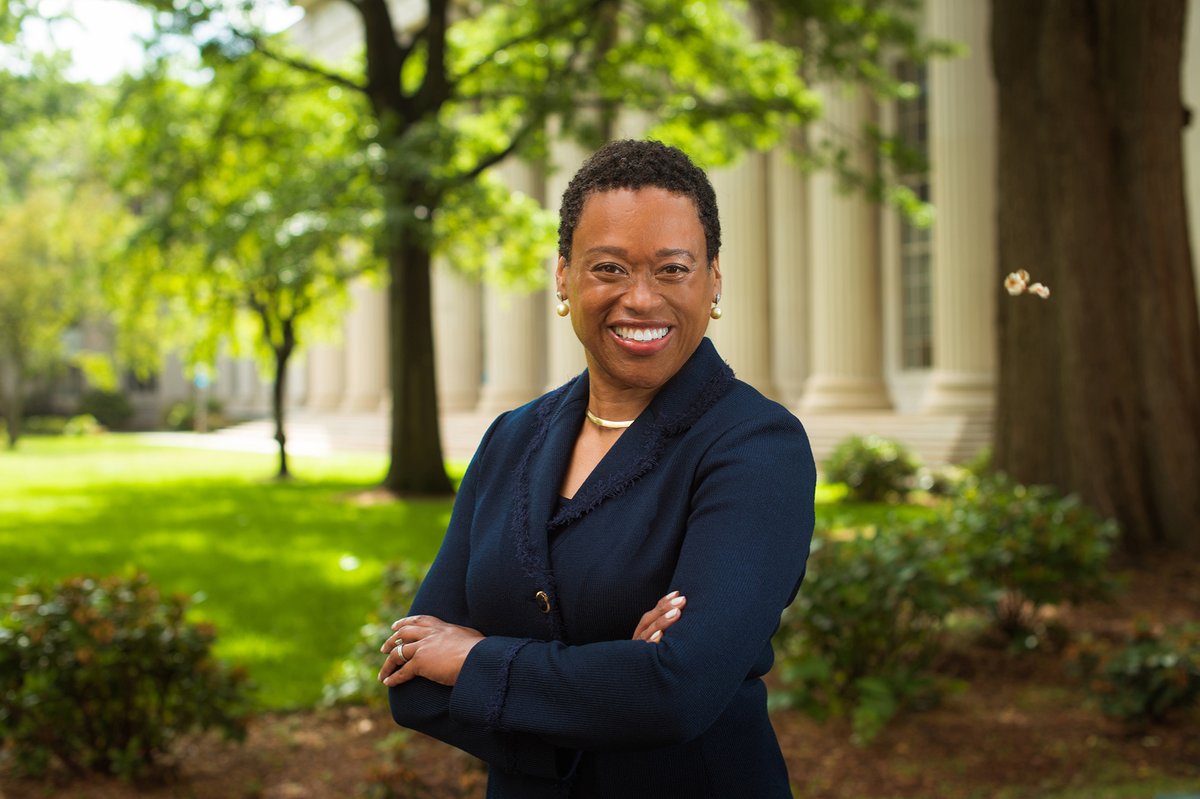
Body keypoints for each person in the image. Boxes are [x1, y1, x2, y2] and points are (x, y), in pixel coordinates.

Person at [378, 139, 816, 798]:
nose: (640, 299)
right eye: (609, 268)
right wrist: (616, 680)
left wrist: (472, 660)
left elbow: (677, 691)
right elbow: (411, 681)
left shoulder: (756, 447)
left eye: (672, 269)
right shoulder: (511, 438)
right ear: (563, 276)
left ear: (714, 279)